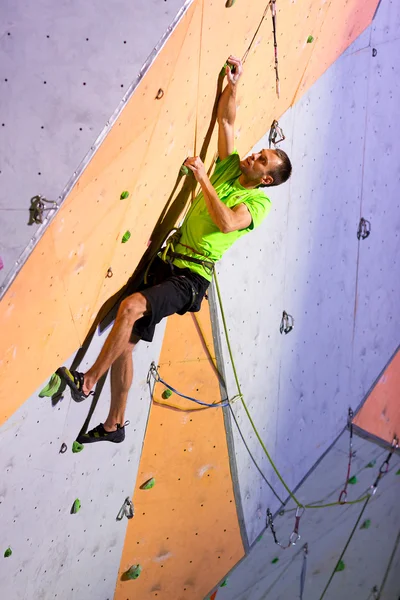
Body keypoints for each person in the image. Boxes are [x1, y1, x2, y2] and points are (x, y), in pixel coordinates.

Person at [57, 55, 292, 444]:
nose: (253, 154)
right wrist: (234, 85)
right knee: (127, 342)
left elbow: (227, 222)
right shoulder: (232, 167)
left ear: (265, 177)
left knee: (131, 307)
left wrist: (203, 178)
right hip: (171, 260)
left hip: (191, 278)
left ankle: (87, 382)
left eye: (261, 159)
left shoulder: (258, 205)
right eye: (259, 151)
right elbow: (227, 122)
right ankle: (115, 424)